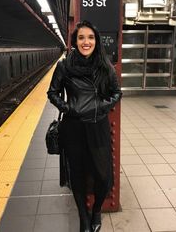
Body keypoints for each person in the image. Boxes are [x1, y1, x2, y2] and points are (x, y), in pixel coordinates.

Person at [47, 20, 122, 232]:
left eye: (90, 37)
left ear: (96, 41)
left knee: (103, 175)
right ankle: (83, 217)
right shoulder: (65, 66)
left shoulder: (104, 65)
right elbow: (52, 93)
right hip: (74, 128)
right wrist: (69, 108)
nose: (86, 42)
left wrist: (100, 106)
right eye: (81, 38)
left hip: (97, 127)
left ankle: (96, 210)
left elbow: (117, 93)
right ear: (75, 41)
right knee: (77, 175)